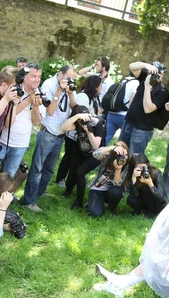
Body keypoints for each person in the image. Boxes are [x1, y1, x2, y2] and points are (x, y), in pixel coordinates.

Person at [21, 64, 78, 212]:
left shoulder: (70, 86)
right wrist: (59, 90)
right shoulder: (48, 84)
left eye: (73, 79)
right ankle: (28, 201)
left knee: (49, 169)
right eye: (68, 78)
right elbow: (51, 111)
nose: (70, 81)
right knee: (37, 168)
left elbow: (75, 108)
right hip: (48, 132)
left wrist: (71, 93)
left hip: (60, 134)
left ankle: (39, 192)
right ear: (60, 74)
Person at [0, 63, 45, 182]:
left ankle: (0, 200)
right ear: (25, 76)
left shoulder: (39, 93)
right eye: (33, 76)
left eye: (39, 76)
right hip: (2, 139)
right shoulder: (14, 89)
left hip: (21, 144)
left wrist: (35, 106)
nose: (37, 80)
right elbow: (7, 118)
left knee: (8, 178)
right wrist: (27, 101)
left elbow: (36, 122)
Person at [55, 74, 103, 189]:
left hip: (83, 133)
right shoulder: (83, 97)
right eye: (100, 85)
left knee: (74, 158)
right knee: (68, 157)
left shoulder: (95, 97)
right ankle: (60, 178)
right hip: (74, 132)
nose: (101, 87)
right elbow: (79, 111)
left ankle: (72, 178)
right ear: (95, 86)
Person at [118, 61, 169, 155]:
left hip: (141, 130)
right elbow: (132, 66)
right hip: (128, 122)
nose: (156, 76)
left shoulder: (162, 92)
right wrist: (145, 65)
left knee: (134, 157)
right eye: (154, 73)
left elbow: (148, 109)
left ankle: (130, 170)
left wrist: (147, 87)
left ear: (162, 75)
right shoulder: (145, 77)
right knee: (119, 151)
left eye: (159, 74)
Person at [60, 105, 106, 209]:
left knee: (80, 172)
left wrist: (89, 132)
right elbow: (64, 127)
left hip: (96, 154)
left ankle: (78, 201)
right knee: (72, 171)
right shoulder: (78, 122)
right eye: (80, 121)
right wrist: (77, 117)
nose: (82, 123)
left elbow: (96, 145)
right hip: (81, 150)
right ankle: (68, 190)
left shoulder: (97, 123)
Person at [86, 141, 130, 217]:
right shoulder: (107, 156)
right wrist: (112, 148)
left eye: (126, 155)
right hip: (98, 188)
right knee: (94, 214)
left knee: (117, 191)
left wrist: (118, 169)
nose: (124, 157)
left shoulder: (127, 165)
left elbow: (117, 184)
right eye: (121, 155)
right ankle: (97, 202)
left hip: (112, 190)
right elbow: (95, 154)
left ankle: (112, 208)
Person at [126, 153, 167, 218]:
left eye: (144, 167)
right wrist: (134, 180)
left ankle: (151, 212)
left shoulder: (156, 172)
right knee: (131, 200)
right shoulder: (133, 174)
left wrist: (150, 184)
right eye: (139, 168)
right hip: (143, 200)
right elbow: (134, 195)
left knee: (147, 190)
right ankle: (143, 210)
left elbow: (162, 197)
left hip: (157, 202)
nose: (142, 170)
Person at [104, 74, 139, 145]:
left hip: (111, 114)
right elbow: (132, 102)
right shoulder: (136, 82)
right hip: (124, 116)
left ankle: (96, 154)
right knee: (124, 143)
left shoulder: (124, 80)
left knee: (105, 139)